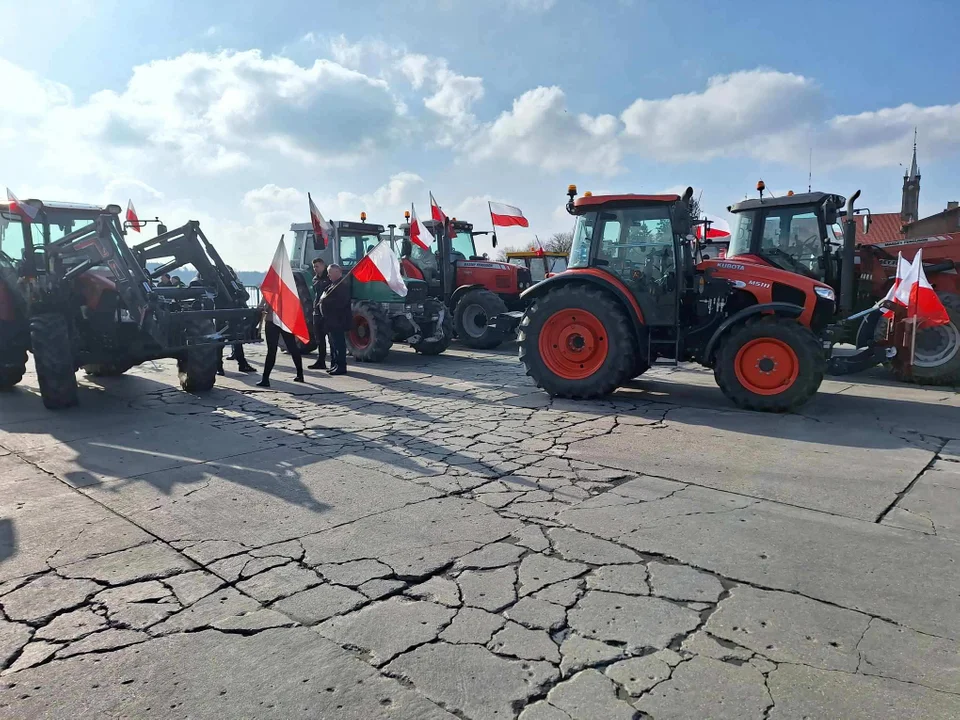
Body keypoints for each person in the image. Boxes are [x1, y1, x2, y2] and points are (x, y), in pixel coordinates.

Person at [256, 301, 304, 387]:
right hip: (285, 320)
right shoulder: (287, 288)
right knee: (292, 347)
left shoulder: (271, 289)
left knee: (271, 350)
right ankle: (300, 374)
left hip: (272, 320)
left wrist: (261, 308)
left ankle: (265, 379)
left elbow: (263, 306)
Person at [320, 263, 352, 376]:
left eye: (330, 273)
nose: (328, 275)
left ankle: (341, 366)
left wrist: (326, 302)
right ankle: (335, 365)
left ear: (338, 272)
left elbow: (341, 303)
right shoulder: (332, 285)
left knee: (339, 345)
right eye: (328, 273)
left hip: (338, 320)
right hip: (331, 321)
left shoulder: (342, 286)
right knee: (333, 344)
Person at [308, 258, 330, 370]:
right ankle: (321, 361)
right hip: (317, 311)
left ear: (323, 265)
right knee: (319, 338)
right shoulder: (315, 279)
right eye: (314, 267)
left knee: (330, 337)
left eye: (317, 266)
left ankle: (335, 362)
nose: (315, 269)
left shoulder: (329, 277)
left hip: (327, 311)